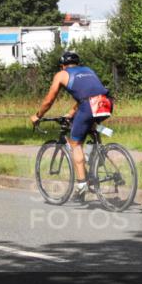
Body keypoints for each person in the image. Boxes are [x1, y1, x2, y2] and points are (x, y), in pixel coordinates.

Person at [30, 51, 113, 201]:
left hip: (89, 105)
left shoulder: (61, 74)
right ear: (77, 63)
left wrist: (38, 115)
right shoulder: (88, 70)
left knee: (75, 142)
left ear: (62, 66)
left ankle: (82, 185)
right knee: (90, 126)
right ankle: (95, 156)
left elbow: (49, 100)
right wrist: (71, 112)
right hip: (106, 102)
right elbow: (90, 93)